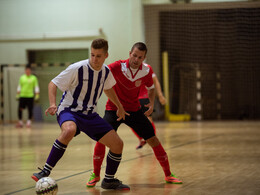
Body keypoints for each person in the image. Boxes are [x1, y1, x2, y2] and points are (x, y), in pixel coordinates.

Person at [31, 39, 130, 190]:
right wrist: (52, 104)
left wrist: (119, 106)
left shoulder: (105, 72)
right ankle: (45, 170)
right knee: (69, 130)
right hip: (69, 110)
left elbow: (108, 88)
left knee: (118, 144)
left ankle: (109, 180)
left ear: (106, 56)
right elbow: (53, 83)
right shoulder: (77, 68)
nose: (94, 59)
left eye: (98, 56)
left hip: (90, 115)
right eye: (92, 55)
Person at [86, 42, 182, 188]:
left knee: (154, 139)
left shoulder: (147, 71)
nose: (136, 59)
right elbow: (100, 74)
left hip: (134, 110)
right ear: (130, 53)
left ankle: (168, 174)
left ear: (144, 58)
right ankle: (96, 174)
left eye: (140, 57)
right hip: (114, 109)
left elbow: (151, 88)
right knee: (101, 140)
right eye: (134, 55)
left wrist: (150, 103)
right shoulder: (116, 66)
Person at [132, 69, 167, 149]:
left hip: (144, 98)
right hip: (134, 99)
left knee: (148, 120)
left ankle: (153, 140)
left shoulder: (147, 68)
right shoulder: (127, 68)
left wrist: (160, 95)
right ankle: (142, 139)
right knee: (131, 121)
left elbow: (156, 81)